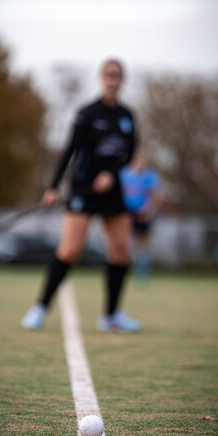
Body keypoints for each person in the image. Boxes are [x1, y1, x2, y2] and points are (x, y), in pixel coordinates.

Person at [21, 59, 142, 332]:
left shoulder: (127, 116)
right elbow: (69, 151)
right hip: (83, 189)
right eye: (109, 75)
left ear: (123, 80)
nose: (114, 80)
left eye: (118, 76)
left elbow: (130, 153)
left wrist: (111, 174)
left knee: (121, 252)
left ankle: (110, 316)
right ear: (102, 78)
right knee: (70, 250)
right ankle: (40, 307)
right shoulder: (87, 113)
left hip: (113, 192)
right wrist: (53, 188)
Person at [119, 151, 162, 282]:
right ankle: (123, 271)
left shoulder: (150, 177)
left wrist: (150, 213)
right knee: (127, 243)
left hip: (144, 215)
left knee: (143, 245)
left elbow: (156, 196)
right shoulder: (126, 175)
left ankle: (143, 274)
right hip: (128, 214)